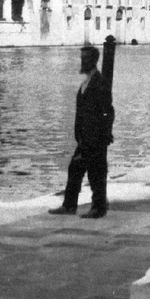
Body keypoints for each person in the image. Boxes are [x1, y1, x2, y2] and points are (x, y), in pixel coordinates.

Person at [49, 44, 114, 218]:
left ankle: (97, 208)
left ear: (93, 60)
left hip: (94, 137)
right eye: (82, 58)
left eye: (86, 59)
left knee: (95, 173)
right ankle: (70, 206)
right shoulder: (87, 82)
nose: (82, 61)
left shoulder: (99, 82)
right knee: (76, 169)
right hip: (85, 138)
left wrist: (105, 134)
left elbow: (108, 111)